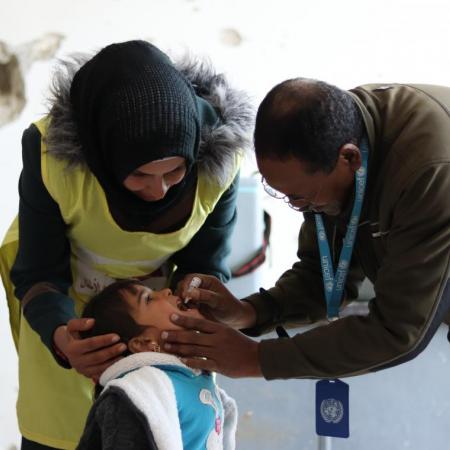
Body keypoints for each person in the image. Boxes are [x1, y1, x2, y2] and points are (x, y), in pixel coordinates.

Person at [0, 40, 252, 449]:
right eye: (139, 176)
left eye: (174, 171)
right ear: (106, 158)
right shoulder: (53, 157)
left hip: (164, 346)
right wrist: (64, 339)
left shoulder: (218, 160)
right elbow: (39, 273)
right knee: (61, 433)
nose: (159, 190)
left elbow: (205, 265)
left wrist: (192, 308)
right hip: (65, 323)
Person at [160, 79, 450, 381]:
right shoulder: (331, 137)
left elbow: (398, 330)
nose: (298, 207)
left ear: (349, 158)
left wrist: (257, 358)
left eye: (300, 197)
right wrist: (249, 312)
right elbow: (322, 276)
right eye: (280, 193)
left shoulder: (429, 173)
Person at [76, 279, 237, 450]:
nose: (167, 291)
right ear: (144, 342)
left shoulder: (194, 376)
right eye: (148, 299)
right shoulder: (138, 392)